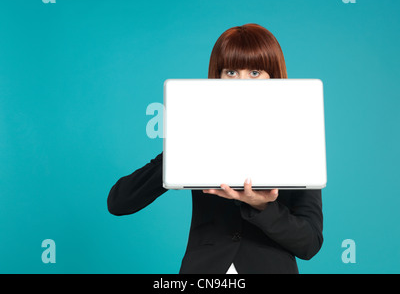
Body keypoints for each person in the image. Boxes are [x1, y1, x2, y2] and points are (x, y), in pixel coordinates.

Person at [107, 23, 323, 274]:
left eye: (254, 72)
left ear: (272, 77)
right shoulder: (197, 136)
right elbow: (119, 202)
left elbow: (309, 243)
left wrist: (263, 207)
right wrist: (182, 146)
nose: (241, 83)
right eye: (231, 72)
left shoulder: (299, 142)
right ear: (217, 77)